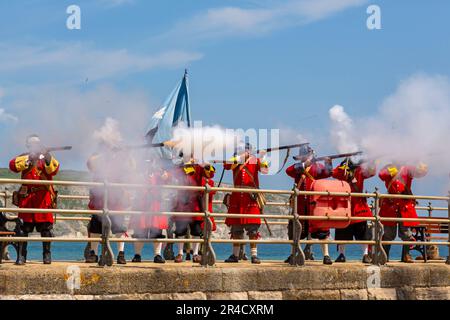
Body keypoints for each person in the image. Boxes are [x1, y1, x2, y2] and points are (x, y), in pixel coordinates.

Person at [9, 134, 60, 265]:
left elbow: (53, 170)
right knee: (23, 229)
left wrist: (47, 156)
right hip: (27, 199)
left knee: (46, 229)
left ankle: (47, 256)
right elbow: (13, 166)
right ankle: (21, 256)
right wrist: (28, 158)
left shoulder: (46, 158)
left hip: (43, 199)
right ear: (28, 146)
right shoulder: (24, 156)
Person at [84, 142, 134, 265]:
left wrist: (126, 152)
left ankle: (121, 254)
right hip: (100, 199)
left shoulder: (120, 159)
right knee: (95, 228)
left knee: (120, 229)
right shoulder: (98, 157)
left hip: (117, 198)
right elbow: (90, 163)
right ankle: (93, 253)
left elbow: (132, 167)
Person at [285, 144, 334, 265]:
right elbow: (288, 171)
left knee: (322, 230)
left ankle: (326, 256)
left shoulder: (317, 167)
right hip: (301, 204)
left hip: (314, 203)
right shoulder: (298, 167)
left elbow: (328, 173)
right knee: (295, 230)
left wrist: (329, 163)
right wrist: (305, 164)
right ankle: (293, 254)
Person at [223, 143, 269, 264]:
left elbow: (264, 170)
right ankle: (235, 255)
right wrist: (241, 157)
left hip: (250, 198)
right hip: (237, 197)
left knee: (253, 229)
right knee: (236, 229)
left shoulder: (255, 160)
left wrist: (263, 157)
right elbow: (227, 166)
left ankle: (254, 255)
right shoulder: (235, 160)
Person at [378, 162, 428, 263]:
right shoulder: (389, 167)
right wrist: (391, 169)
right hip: (391, 205)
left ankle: (406, 255)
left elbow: (419, 172)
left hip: (404, 205)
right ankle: (384, 256)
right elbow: (381, 175)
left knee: (406, 233)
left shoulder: (408, 167)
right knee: (388, 234)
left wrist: (421, 164)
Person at [332, 157, 376, 263]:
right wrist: (344, 165)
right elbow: (333, 173)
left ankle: (365, 255)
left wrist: (372, 162)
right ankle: (342, 254)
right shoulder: (342, 170)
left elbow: (372, 172)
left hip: (358, 206)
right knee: (341, 233)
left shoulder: (360, 171)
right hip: (344, 206)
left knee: (364, 233)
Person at [172, 158, 216, 263]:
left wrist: (202, 164)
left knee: (196, 231)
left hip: (194, 204)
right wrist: (184, 164)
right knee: (180, 231)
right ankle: (180, 253)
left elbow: (210, 173)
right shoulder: (180, 167)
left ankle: (195, 254)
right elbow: (174, 173)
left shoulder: (198, 167)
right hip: (182, 204)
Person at [130, 160, 169, 264]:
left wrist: (162, 172)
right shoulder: (139, 175)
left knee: (157, 232)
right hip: (141, 206)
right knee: (139, 232)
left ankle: (157, 255)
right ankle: (137, 255)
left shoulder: (158, 174)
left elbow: (167, 178)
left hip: (156, 205)